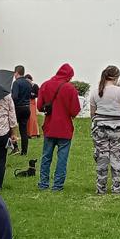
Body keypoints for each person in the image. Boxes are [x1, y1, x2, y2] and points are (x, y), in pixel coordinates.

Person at [87, 65, 120, 195]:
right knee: (117, 157)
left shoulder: (95, 92)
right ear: (116, 77)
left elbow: (92, 114)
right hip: (118, 129)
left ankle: (100, 188)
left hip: (100, 128)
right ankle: (116, 188)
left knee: (102, 157)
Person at [36, 63, 81, 192]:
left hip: (50, 127)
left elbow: (39, 107)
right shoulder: (70, 89)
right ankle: (57, 185)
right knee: (62, 159)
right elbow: (75, 111)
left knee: (46, 157)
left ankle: (44, 183)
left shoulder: (45, 85)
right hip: (65, 129)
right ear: (69, 75)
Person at [11, 66, 39, 155]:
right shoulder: (28, 83)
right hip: (27, 108)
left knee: (11, 129)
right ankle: (24, 151)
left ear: (16, 73)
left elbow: (14, 97)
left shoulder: (16, 83)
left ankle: (15, 147)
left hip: (18, 108)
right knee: (23, 130)